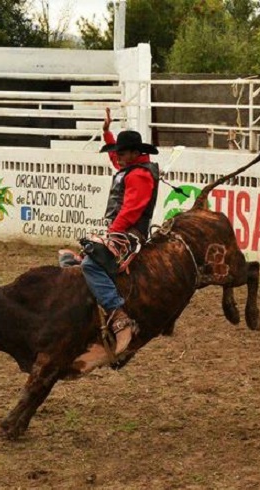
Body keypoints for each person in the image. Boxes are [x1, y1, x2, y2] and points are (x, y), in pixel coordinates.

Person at [81, 123, 160, 361]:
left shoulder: (140, 175)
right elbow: (116, 160)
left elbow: (132, 209)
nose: (118, 157)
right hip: (123, 230)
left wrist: (113, 232)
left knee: (89, 265)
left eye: (122, 152)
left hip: (129, 233)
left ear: (135, 153)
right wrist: (107, 133)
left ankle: (118, 315)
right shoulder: (132, 168)